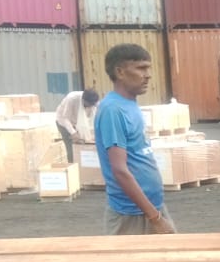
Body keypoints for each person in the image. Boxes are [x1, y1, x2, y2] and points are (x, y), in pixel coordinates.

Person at [93, 44, 176, 236]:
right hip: (131, 216)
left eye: (148, 68)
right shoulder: (113, 110)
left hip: (150, 208)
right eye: (141, 68)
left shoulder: (128, 104)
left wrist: (155, 213)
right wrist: (155, 218)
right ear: (120, 72)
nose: (148, 75)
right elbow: (120, 170)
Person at [53, 87, 99, 164]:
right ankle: (73, 166)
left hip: (77, 123)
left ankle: (84, 167)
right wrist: (73, 133)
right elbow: (65, 118)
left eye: (92, 105)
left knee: (85, 145)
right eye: (89, 105)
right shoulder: (72, 99)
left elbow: (93, 118)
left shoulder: (94, 102)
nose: (90, 107)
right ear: (84, 101)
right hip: (63, 122)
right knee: (72, 148)